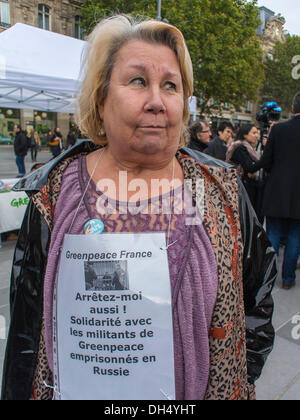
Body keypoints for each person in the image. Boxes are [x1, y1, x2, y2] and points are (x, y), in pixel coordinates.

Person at [2, 15, 277, 401]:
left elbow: (258, 295)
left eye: (170, 85)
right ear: (101, 98)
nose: (156, 101)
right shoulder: (56, 192)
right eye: (137, 81)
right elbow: (26, 327)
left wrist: (238, 374)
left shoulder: (220, 189)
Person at [249, 92, 300, 290]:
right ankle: (287, 279)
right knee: (295, 237)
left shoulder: (278, 130)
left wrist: (250, 167)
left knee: (273, 235)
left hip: (277, 191)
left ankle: (267, 276)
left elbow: (266, 161)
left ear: (293, 108)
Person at [226, 124, 264, 223]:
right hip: (239, 187)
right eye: (254, 133)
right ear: (245, 135)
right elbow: (249, 167)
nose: (257, 136)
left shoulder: (250, 148)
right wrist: (265, 160)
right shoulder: (240, 147)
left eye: (257, 133)